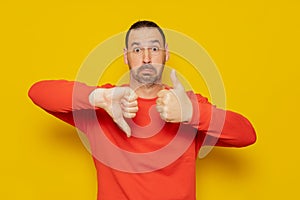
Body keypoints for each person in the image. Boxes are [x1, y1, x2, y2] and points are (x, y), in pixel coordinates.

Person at [28, 20, 256, 200]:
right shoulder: (103, 106)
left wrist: (192, 114)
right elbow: (38, 92)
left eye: (154, 48)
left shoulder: (185, 104)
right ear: (126, 55)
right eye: (137, 50)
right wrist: (100, 97)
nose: (146, 58)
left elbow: (247, 134)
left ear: (166, 53)